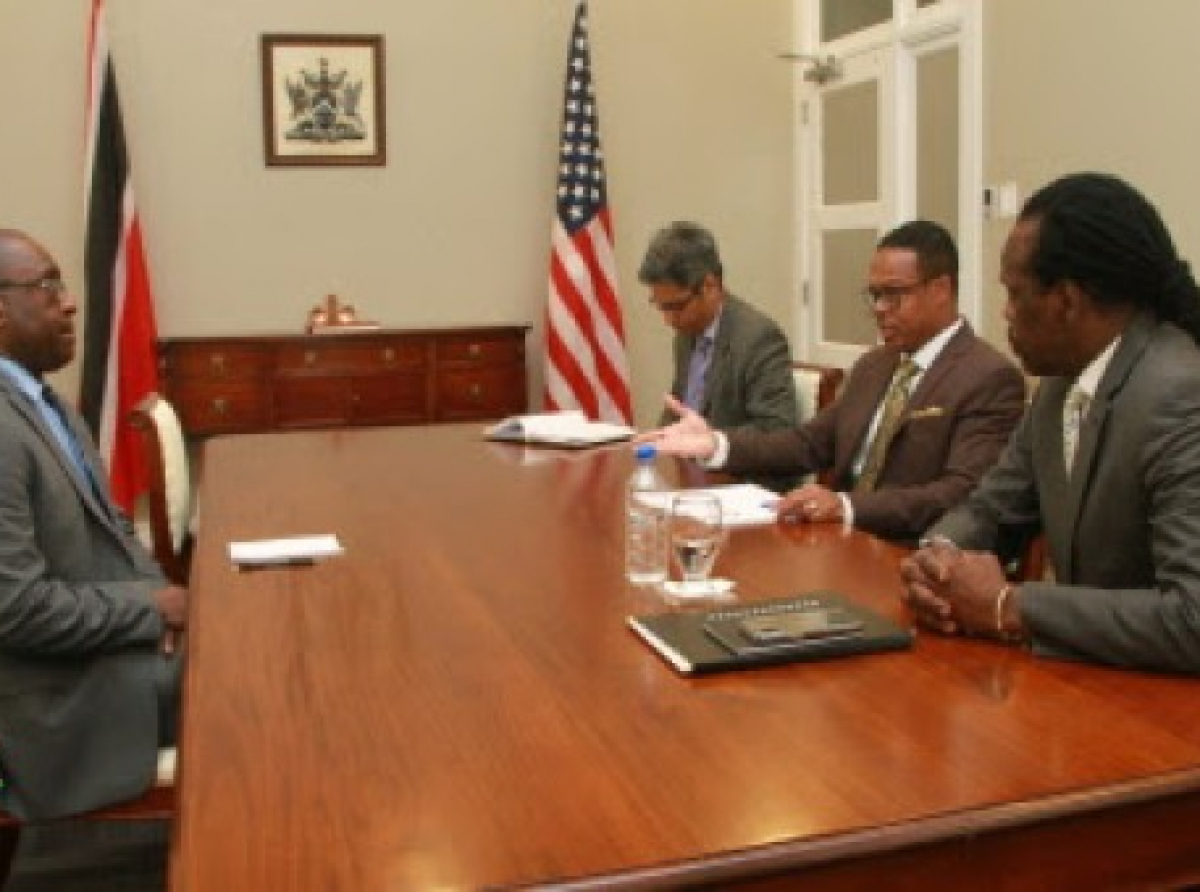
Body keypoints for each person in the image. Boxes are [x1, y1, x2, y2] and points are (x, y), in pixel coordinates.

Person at [901, 173, 1200, 675]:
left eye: (1015, 295)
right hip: (1093, 687)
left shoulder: (1179, 394)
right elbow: (992, 508)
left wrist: (1009, 606)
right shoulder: (1060, 387)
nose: (1006, 313)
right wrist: (938, 558)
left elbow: (1193, 619)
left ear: (1066, 301)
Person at [640, 220, 1026, 542]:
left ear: (941, 290)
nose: (879, 310)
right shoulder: (875, 366)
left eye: (893, 295)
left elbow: (958, 494)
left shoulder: (988, 376)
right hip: (832, 541)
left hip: (907, 554)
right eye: (874, 295)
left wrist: (846, 506)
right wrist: (716, 445)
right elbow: (806, 444)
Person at [0, 229, 187, 820]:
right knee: (253, 678)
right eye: (48, 287)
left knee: (243, 641)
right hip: (53, 702)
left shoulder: (45, 405)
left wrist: (163, 605)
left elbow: (118, 536)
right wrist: (151, 612)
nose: (70, 302)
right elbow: (16, 608)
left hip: (100, 647)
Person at [639, 221, 798, 435]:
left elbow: (776, 429)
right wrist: (656, 442)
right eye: (660, 307)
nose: (668, 320)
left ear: (710, 287)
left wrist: (712, 442)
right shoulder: (687, 333)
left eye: (676, 306)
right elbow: (680, 410)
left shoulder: (758, 338)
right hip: (686, 462)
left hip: (731, 466)